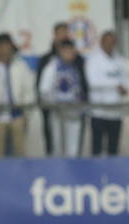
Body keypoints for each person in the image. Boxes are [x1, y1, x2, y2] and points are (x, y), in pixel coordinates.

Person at [0, 32, 35, 158]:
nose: (4, 48)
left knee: (19, 152)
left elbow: (28, 89)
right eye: (1, 45)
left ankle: (19, 176)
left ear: (11, 46)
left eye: (7, 45)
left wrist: (26, 112)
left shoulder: (20, 65)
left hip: (18, 115)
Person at [36, 22, 88, 155]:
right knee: (56, 147)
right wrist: (55, 103)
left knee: (73, 149)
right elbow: (43, 91)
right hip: (56, 112)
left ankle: (73, 174)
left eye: (71, 50)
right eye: (66, 50)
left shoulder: (78, 66)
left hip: (74, 113)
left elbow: (83, 88)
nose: (69, 53)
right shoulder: (51, 67)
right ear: (60, 51)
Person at [85, 30, 128, 156]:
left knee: (113, 148)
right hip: (99, 112)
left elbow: (124, 81)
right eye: (108, 42)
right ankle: (95, 174)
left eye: (113, 42)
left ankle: (113, 174)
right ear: (101, 42)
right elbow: (93, 83)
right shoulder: (93, 59)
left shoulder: (119, 59)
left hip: (116, 112)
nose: (110, 45)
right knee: (97, 148)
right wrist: (115, 86)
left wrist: (123, 88)